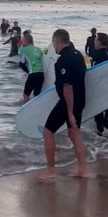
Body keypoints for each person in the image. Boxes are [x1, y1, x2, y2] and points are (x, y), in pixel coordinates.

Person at [39, 29, 88, 180]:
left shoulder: (63, 60)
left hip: (69, 102)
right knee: (74, 134)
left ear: (58, 42)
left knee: (47, 132)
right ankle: (83, 170)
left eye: (53, 42)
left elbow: (67, 89)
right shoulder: (78, 54)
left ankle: (50, 171)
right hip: (80, 99)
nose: (53, 45)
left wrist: (69, 112)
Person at [18, 34, 44, 103]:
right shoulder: (39, 49)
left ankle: (27, 110)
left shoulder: (23, 50)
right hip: (41, 74)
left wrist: (28, 72)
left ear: (27, 41)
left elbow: (21, 64)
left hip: (33, 74)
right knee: (37, 95)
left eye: (23, 40)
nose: (21, 41)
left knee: (25, 95)